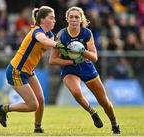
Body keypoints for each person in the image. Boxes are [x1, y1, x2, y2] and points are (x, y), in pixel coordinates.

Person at [49, 6, 121, 134]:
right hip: (69, 68)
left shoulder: (87, 33)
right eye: (71, 17)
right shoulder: (61, 35)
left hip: (86, 67)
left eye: (77, 17)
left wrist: (82, 51)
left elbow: (94, 57)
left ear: (81, 19)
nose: (74, 19)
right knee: (76, 92)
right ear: (67, 19)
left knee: (104, 101)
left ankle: (114, 123)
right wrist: (72, 61)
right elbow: (52, 60)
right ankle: (92, 112)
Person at [0, 6, 65, 133]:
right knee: (33, 105)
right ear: (43, 20)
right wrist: (59, 45)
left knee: (41, 100)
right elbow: (42, 40)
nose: (54, 20)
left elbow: (53, 47)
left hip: (28, 71)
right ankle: (3, 109)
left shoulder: (49, 34)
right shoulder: (37, 32)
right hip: (16, 71)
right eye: (51, 18)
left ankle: (37, 128)